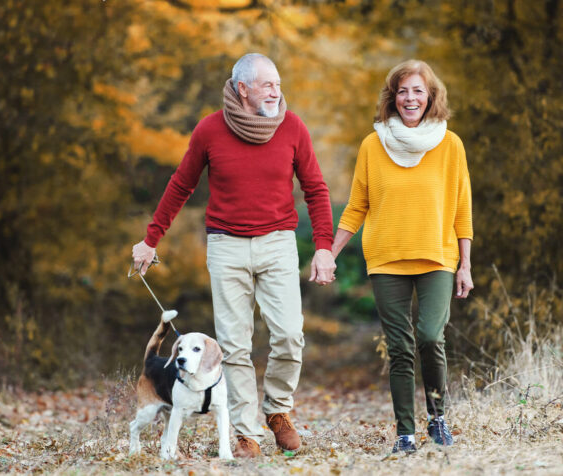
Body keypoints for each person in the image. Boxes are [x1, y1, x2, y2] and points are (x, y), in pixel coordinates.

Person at [131, 53, 336, 457]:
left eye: (278, 83)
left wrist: (324, 247)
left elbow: (316, 188)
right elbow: (181, 184)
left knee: (290, 334)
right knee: (234, 345)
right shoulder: (210, 129)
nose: (277, 91)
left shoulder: (292, 127)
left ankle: (278, 412)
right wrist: (151, 238)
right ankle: (246, 434)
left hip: (278, 242)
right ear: (242, 89)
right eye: (267, 85)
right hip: (226, 246)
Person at [331, 59, 473, 454]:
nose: (410, 98)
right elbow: (357, 205)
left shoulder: (450, 144)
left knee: (430, 336)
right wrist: (329, 252)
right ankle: (405, 433)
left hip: (437, 258)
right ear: (392, 97)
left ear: (431, 96)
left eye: (418, 91)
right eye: (403, 91)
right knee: (399, 348)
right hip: (386, 259)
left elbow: (462, 208)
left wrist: (465, 264)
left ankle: (438, 417)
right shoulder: (372, 145)